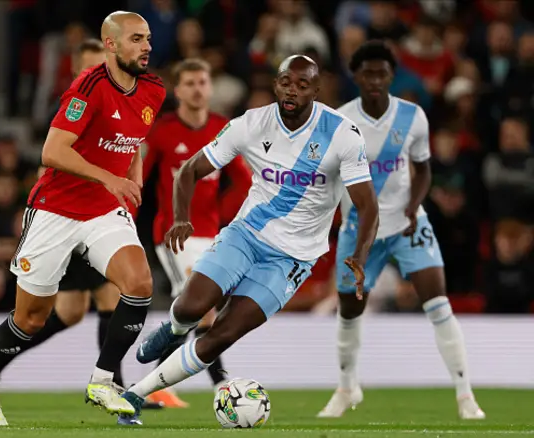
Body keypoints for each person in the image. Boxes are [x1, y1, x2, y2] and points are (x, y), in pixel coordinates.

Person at [112, 54, 380, 425]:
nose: (292, 90)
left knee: (222, 333)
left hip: (291, 260)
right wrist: (182, 218)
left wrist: (360, 256)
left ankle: (135, 395)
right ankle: (174, 328)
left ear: (316, 91)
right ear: (276, 84)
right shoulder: (251, 124)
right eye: (286, 81)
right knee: (193, 308)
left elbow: (368, 207)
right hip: (246, 235)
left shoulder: (342, 134)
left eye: (303, 85)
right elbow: (189, 170)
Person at [0, 12, 166, 426]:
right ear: (110, 45)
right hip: (55, 210)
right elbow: (52, 151)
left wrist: (134, 183)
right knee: (31, 319)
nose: (146, 46)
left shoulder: (154, 90)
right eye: (136, 39)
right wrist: (110, 177)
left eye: (147, 38)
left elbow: (135, 142)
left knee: (139, 283)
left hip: (103, 211)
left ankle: (103, 379)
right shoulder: (87, 88)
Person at [316, 41, 485, 420]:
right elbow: (326, 178)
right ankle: (346, 388)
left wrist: (413, 205)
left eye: (382, 73)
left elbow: (423, 168)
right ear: (355, 76)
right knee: (348, 313)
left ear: (391, 76)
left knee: (439, 305)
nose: (375, 80)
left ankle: (465, 396)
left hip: (409, 225)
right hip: (360, 232)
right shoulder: (339, 120)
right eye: (367, 73)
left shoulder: (413, 117)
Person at [140, 58, 252, 407]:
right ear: (177, 90)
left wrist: (224, 215)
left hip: (210, 233)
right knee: (199, 309)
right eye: (189, 83)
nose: (197, 88)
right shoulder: (162, 130)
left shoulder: (223, 129)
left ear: (211, 87)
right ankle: (218, 383)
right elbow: (139, 179)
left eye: (202, 82)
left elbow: (245, 181)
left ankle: (156, 383)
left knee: (200, 313)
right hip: (172, 235)